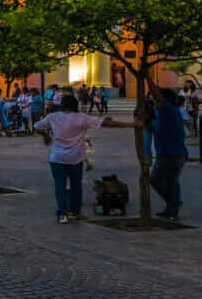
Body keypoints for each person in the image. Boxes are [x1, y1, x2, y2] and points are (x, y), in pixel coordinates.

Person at [36, 95, 137, 223]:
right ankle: (74, 212)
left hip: (57, 158)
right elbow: (106, 123)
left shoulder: (53, 117)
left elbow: (37, 126)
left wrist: (45, 136)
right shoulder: (82, 118)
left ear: (62, 105)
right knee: (76, 186)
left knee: (60, 187)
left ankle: (62, 214)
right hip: (75, 158)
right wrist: (131, 124)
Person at [149, 89, 189, 220]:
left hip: (170, 154)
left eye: (155, 99)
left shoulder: (168, 110)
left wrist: (148, 79)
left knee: (156, 179)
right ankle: (172, 208)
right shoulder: (165, 112)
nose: (154, 102)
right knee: (172, 181)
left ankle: (174, 204)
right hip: (173, 152)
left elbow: (158, 96)